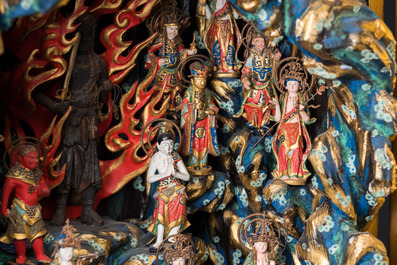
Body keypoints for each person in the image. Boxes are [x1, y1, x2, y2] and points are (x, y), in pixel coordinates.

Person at [33, 13, 113, 226]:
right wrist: (55, 106)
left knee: (90, 164)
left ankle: (87, 210)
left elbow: (103, 97)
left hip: (90, 119)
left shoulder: (99, 63)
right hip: (69, 120)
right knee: (67, 161)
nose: (87, 38)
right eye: (83, 33)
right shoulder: (66, 61)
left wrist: (105, 90)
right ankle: (59, 209)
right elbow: (36, 90)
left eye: (91, 34)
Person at [0, 145, 51, 264]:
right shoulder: (14, 175)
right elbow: (6, 194)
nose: (35, 160)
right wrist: (4, 210)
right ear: (20, 158)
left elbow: (47, 191)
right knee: (19, 235)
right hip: (18, 208)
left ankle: (40, 254)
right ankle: (21, 256)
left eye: (37, 158)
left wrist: (40, 190)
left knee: (38, 233)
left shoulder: (37, 173)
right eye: (31, 158)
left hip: (34, 209)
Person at [146, 133, 190, 250]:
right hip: (163, 188)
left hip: (175, 186)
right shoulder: (156, 157)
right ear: (159, 146)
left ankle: (172, 238)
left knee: (180, 200)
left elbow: (186, 177)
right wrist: (164, 174)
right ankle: (159, 240)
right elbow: (149, 178)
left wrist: (176, 173)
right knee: (161, 202)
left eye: (171, 144)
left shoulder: (175, 156)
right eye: (165, 145)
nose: (169, 148)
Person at [145, 20, 197, 113]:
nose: (173, 32)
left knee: (176, 91)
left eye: (176, 29)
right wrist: (157, 60)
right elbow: (150, 53)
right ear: (165, 29)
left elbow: (182, 52)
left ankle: (173, 110)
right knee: (162, 91)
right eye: (171, 29)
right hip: (163, 72)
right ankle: (159, 110)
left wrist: (190, 52)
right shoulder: (161, 41)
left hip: (175, 72)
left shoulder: (177, 42)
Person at [270, 78, 314, 185]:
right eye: (289, 84)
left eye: (295, 84)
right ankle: (283, 173)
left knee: (296, 151)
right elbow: (277, 119)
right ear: (285, 86)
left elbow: (307, 120)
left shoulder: (302, 99)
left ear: (299, 86)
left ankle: (295, 173)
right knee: (283, 151)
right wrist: (276, 106)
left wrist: (302, 111)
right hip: (284, 129)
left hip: (297, 129)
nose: (292, 86)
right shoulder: (283, 99)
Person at [234, 32, 281, 129]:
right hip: (255, 85)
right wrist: (246, 79)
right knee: (253, 105)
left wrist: (276, 60)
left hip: (267, 85)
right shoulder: (252, 57)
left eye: (263, 41)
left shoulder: (270, 54)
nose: (261, 44)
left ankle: (265, 124)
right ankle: (253, 124)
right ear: (253, 42)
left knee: (269, 105)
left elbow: (275, 67)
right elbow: (246, 69)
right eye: (258, 41)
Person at [180, 62, 220, 174]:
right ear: (192, 80)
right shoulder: (189, 92)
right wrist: (193, 107)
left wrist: (212, 110)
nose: (202, 82)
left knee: (204, 143)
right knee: (194, 143)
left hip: (205, 123)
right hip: (193, 124)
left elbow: (211, 104)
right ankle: (193, 163)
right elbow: (184, 108)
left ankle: (203, 162)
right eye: (199, 80)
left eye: (204, 80)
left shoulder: (207, 92)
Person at [197, 0, 241, 73]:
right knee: (217, 47)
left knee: (230, 46)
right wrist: (205, 5)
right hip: (217, 26)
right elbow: (209, 17)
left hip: (229, 26)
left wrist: (236, 5)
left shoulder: (230, 2)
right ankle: (218, 67)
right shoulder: (213, 3)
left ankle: (230, 67)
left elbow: (236, 16)